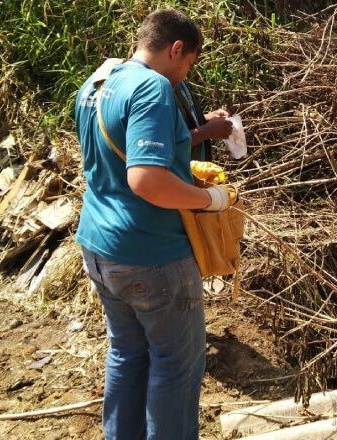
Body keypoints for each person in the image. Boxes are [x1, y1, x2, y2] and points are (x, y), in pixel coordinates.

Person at [74, 9, 234, 439]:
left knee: (128, 353)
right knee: (177, 365)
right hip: (151, 253)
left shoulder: (97, 83)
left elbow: (108, 160)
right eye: (188, 63)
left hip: (99, 244)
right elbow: (146, 179)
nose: (185, 74)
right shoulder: (153, 87)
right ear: (176, 49)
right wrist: (209, 199)